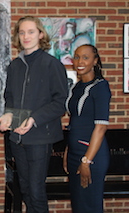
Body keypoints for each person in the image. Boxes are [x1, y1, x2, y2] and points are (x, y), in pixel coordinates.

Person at [0, 16, 68, 212]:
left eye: (30, 32)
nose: (26, 36)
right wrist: (8, 117)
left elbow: (61, 103)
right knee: (26, 189)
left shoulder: (51, 64)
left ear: (40, 34)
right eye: (22, 32)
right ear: (17, 37)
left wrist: (34, 119)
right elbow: (9, 99)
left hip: (39, 137)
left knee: (36, 192)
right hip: (17, 138)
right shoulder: (14, 66)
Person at [63, 44, 111, 213]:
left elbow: (100, 128)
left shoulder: (100, 87)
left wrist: (86, 161)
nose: (80, 61)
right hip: (75, 153)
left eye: (85, 57)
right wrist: (69, 150)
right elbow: (75, 122)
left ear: (95, 61)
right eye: (76, 57)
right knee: (78, 205)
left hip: (92, 156)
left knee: (90, 205)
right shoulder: (75, 88)